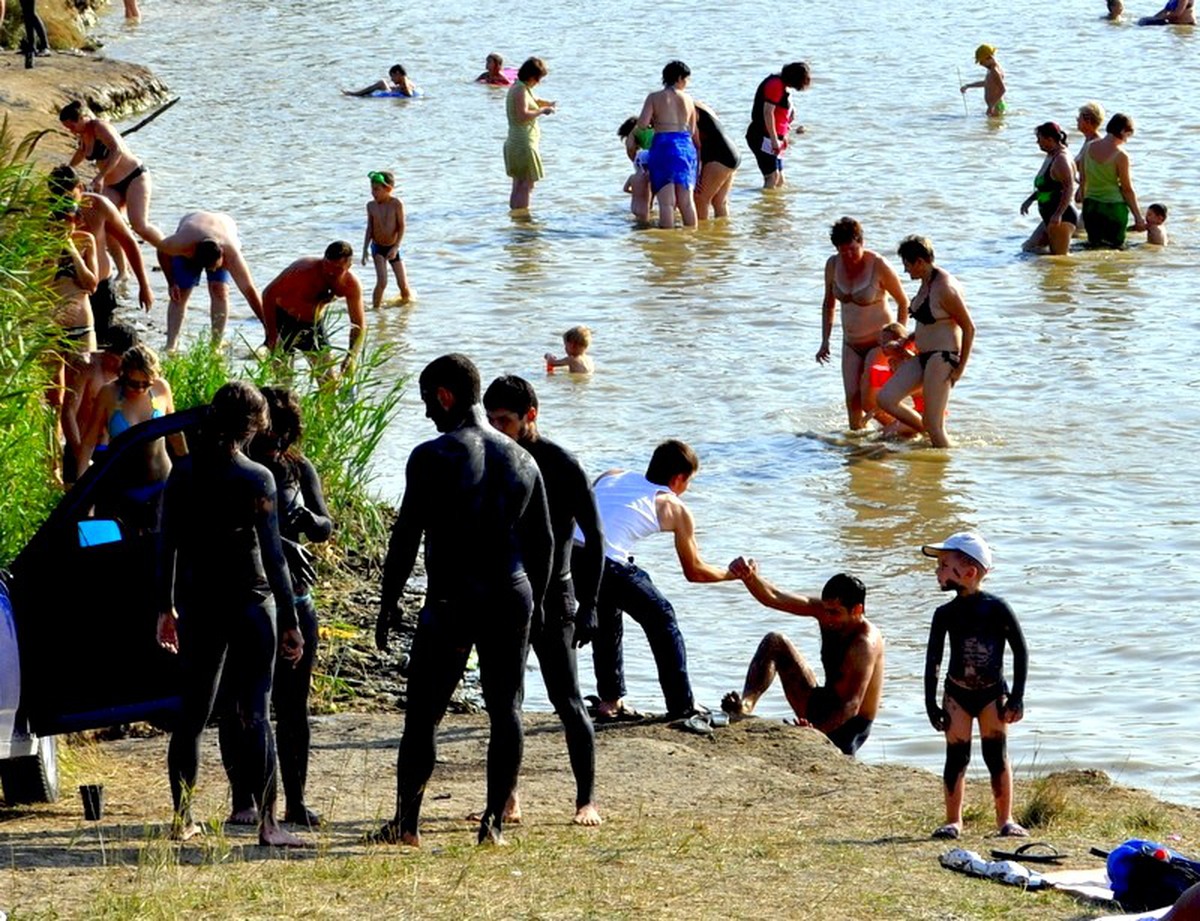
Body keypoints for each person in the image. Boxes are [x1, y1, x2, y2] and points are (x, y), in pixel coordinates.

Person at [373, 354, 552, 847]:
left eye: (428, 399)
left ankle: (407, 825)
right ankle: (492, 825)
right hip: (511, 592)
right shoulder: (523, 459)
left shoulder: (433, 455)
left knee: (424, 713)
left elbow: (406, 537)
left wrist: (389, 603)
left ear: (446, 395)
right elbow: (544, 544)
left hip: (454, 596)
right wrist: (534, 605)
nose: (427, 411)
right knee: (505, 709)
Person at [155, 381, 307, 847]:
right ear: (255, 425)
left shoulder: (182, 474)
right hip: (250, 599)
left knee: (194, 714)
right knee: (256, 713)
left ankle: (184, 819)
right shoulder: (257, 477)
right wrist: (291, 619)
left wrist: (165, 607)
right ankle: (269, 825)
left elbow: (167, 546)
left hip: (202, 601)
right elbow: (275, 557)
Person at [482, 375, 604, 827]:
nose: (497, 427)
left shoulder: (561, 463)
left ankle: (586, 800)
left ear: (530, 416)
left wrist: (589, 605)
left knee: (567, 699)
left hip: (557, 595)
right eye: (490, 419)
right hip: (510, 594)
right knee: (504, 702)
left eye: (506, 420)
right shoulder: (493, 458)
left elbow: (596, 536)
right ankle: (507, 798)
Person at [221, 386, 333, 829]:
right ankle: (243, 799)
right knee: (241, 704)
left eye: (283, 434)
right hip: (253, 596)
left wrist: (310, 522)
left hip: (297, 598)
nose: (276, 442)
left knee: (293, 706)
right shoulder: (241, 470)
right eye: (271, 432)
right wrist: (285, 543)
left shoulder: (298, 467)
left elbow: (325, 526)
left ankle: (296, 801)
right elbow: (240, 534)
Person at [581, 439, 738, 721]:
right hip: (605, 563)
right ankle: (682, 705)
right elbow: (694, 571)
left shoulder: (612, 475)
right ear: (679, 479)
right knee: (662, 618)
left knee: (607, 614)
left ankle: (610, 702)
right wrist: (732, 574)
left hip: (571, 557)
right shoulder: (672, 506)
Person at [921, 532, 1028, 840]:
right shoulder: (944, 614)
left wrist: (1017, 697)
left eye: (943, 564)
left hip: (992, 693)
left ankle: (1005, 820)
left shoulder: (997, 608)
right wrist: (931, 703)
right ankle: (953, 820)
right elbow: (934, 661)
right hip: (957, 694)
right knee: (956, 756)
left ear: (968, 573)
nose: (937, 571)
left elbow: (1020, 650)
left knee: (996, 755)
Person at [720, 567, 884, 756]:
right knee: (775, 641)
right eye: (826, 610)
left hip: (849, 725)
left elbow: (851, 705)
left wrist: (814, 732)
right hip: (822, 701)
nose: (828, 618)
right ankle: (745, 705)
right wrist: (749, 577)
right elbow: (774, 597)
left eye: (835, 613)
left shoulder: (865, 643)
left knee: (832, 733)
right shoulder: (825, 613)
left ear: (857, 609)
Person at [877, 236, 974, 449]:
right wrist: (906, 341)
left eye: (907, 265)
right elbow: (927, 323)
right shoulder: (925, 283)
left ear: (920, 262)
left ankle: (943, 469)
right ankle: (922, 432)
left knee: (935, 425)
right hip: (924, 357)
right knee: (886, 398)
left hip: (943, 357)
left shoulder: (945, 287)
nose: (906, 271)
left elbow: (968, 328)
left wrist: (960, 369)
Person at [817, 217, 911, 430]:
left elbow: (903, 302)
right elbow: (828, 304)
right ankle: (857, 451)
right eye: (843, 251)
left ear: (862, 242)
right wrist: (825, 341)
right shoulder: (832, 265)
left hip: (879, 342)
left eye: (853, 249)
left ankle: (904, 429)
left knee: (869, 399)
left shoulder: (878, 265)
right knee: (852, 399)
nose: (849, 256)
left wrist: (900, 340)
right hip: (850, 343)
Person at [83, 343, 183, 532]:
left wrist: (187, 467)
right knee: (119, 549)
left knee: (157, 550)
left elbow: (175, 432)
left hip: (160, 483)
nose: (139, 389)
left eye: (146, 384)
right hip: (119, 486)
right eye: (133, 383)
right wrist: (81, 490)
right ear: (123, 375)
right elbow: (89, 441)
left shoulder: (162, 389)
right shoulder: (109, 393)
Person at [49, 164, 153, 340]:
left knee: (101, 349)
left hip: (100, 288)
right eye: (58, 197)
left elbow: (128, 242)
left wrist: (144, 285)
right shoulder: (45, 214)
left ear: (80, 188)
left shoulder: (99, 206)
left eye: (69, 196)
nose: (65, 203)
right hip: (64, 292)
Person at [60, 101, 163, 250]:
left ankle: (168, 250)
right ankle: (123, 271)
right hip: (112, 185)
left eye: (72, 126)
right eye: (68, 128)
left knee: (139, 226)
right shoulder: (83, 134)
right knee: (107, 222)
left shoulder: (99, 127)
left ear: (82, 118)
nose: (71, 131)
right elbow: (82, 152)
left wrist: (100, 176)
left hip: (134, 177)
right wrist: (68, 168)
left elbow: (117, 151)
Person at [157, 211, 263, 351]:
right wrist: (171, 282)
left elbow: (250, 291)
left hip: (223, 227)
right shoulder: (182, 243)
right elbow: (161, 250)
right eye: (209, 268)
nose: (212, 271)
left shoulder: (231, 252)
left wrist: (268, 327)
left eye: (215, 267)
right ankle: (171, 344)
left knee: (220, 291)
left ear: (222, 255)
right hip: (193, 228)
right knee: (180, 294)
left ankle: (215, 345)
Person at [260, 241, 365, 379]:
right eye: (328, 266)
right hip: (283, 321)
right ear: (323, 259)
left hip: (313, 326)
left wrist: (351, 356)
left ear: (349, 265)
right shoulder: (303, 269)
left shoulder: (351, 285)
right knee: (283, 381)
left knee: (329, 382)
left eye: (338, 269)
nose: (330, 272)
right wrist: (272, 335)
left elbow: (358, 324)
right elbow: (268, 294)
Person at [50, 203, 100, 484]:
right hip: (52, 328)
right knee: (54, 398)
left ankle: (80, 459)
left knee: (80, 396)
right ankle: (53, 465)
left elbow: (91, 283)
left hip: (82, 326)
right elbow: (41, 282)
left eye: (72, 220)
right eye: (62, 220)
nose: (67, 225)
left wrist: (71, 249)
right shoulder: (42, 243)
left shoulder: (85, 240)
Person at [69, 320, 139, 476]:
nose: (116, 365)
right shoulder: (87, 366)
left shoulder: (135, 374)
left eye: (122, 361)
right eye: (113, 359)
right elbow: (69, 412)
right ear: (105, 351)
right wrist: (78, 452)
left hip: (113, 447)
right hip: (81, 442)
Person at [637, 60, 700, 230]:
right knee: (687, 202)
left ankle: (667, 244)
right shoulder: (689, 99)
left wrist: (654, 123)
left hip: (664, 147)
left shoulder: (654, 97)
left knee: (667, 203)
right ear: (679, 78)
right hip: (685, 148)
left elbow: (642, 124)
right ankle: (692, 239)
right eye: (687, 79)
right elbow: (692, 130)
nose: (687, 83)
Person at [1079, 113, 1146, 248]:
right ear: (1122, 131)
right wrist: (1138, 217)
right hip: (1113, 208)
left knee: (1093, 248)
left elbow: (1082, 178)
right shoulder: (1121, 155)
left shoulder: (1088, 147)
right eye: (1128, 135)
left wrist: (1084, 200)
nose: (1126, 140)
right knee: (1115, 250)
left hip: (1091, 207)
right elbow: (1127, 189)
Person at [745, 62, 811, 190]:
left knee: (780, 180)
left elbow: (782, 115)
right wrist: (774, 140)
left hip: (775, 138)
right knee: (772, 177)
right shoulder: (775, 85)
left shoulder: (784, 87)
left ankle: (777, 209)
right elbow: (768, 113)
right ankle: (766, 209)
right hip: (763, 136)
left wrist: (784, 135)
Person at [504, 57, 555, 212]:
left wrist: (547, 103)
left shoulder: (521, 87)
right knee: (526, 184)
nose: (538, 82)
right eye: (538, 78)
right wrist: (543, 111)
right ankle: (523, 218)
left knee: (519, 182)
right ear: (532, 76)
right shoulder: (520, 89)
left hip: (518, 141)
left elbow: (533, 100)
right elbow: (522, 115)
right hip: (523, 142)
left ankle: (516, 217)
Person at [1019, 122, 1077, 256]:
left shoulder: (1061, 159)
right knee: (1029, 248)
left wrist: (1058, 214)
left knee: (1060, 260)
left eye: (1039, 139)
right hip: (1050, 216)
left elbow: (1069, 187)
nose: (1037, 142)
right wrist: (1030, 200)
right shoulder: (1051, 155)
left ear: (1050, 139)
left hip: (1062, 218)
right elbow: (1048, 186)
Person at [860, 322, 922, 437]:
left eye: (886, 342)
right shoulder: (892, 362)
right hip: (916, 410)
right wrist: (874, 411)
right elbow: (892, 394)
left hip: (928, 412)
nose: (882, 346)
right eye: (881, 342)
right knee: (881, 434)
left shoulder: (909, 359)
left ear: (899, 342)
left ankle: (925, 433)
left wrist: (904, 351)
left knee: (883, 436)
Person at [361, 171, 412, 307]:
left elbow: (401, 226)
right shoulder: (371, 206)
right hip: (377, 247)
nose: (373, 193)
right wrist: (365, 249)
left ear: (388, 189)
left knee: (403, 284)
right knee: (382, 282)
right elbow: (369, 228)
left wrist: (396, 247)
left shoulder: (396, 204)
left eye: (377, 189)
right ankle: (376, 309)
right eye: (372, 189)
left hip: (393, 247)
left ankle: (405, 312)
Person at [693, 101, 740, 220]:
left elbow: (696, 144)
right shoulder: (700, 106)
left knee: (700, 199)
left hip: (718, 155)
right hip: (731, 152)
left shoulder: (690, 110)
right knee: (719, 201)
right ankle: (722, 235)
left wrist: (696, 172)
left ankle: (701, 235)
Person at [1074, 102, 1106, 234]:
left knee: (1080, 231)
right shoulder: (1088, 140)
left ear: (1087, 120)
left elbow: (1095, 171)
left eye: (1079, 118)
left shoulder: (1097, 143)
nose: (1077, 120)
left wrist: (1083, 189)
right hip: (1088, 193)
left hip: (1095, 196)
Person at [617, 116, 654, 223]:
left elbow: (632, 155)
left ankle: (647, 207)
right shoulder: (650, 131)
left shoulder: (632, 139)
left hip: (643, 161)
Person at [960, 45, 1006, 117]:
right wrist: (968, 86)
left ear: (989, 58)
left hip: (996, 106)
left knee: (993, 127)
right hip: (993, 105)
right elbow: (986, 83)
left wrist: (992, 106)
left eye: (981, 61)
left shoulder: (995, 71)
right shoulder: (990, 69)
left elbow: (1002, 89)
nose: (981, 64)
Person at [342, 64, 417, 97]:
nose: (391, 79)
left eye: (392, 76)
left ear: (397, 73)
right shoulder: (406, 80)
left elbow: (409, 94)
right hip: (395, 92)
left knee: (382, 82)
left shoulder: (405, 81)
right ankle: (359, 93)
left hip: (395, 94)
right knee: (386, 85)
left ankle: (355, 94)